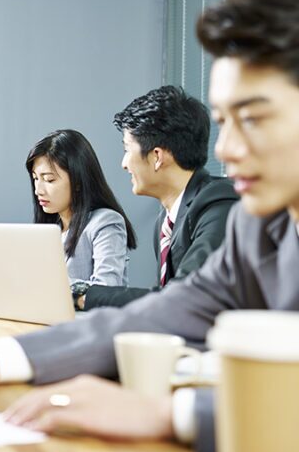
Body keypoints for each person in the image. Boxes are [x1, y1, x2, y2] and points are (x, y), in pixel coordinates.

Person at [0, 0, 299, 452]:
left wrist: (168, 415)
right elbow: (158, 315)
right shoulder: (256, 227)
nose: (225, 149)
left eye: (254, 118)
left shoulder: (224, 210)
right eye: (225, 122)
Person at [77, 86, 238, 310]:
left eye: (127, 150)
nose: (124, 164)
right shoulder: (165, 223)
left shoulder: (220, 205)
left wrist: (86, 296)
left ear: (157, 157)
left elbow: (185, 296)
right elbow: (164, 300)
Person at [25, 129, 136, 298]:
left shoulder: (105, 222)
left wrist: (43, 284)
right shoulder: (50, 229)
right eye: (35, 178)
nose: (38, 190)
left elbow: (107, 288)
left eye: (49, 179)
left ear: (78, 180)